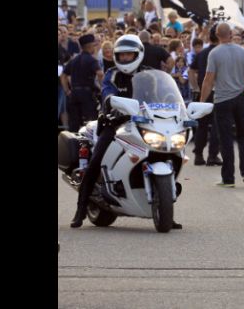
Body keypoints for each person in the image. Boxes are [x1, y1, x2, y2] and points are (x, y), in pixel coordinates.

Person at [70, 35, 186, 229]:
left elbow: (162, 94)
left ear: (138, 54)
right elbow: (107, 92)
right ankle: (81, 210)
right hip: (114, 124)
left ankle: (166, 211)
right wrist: (110, 99)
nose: (125, 59)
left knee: (169, 152)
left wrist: (175, 106)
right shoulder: (112, 74)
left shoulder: (149, 74)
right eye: (121, 55)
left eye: (129, 55)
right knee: (96, 161)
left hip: (143, 123)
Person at [200, 23, 244, 188]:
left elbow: (208, 80)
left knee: (226, 139)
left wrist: (201, 101)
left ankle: (228, 178)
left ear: (216, 34)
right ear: (230, 34)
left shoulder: (214, 54)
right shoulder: (242, 51)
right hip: (239, 98)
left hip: (222, 100)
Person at [189, 26, 222, 166]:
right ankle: (212, 155)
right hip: (218, 93)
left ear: (209, 37)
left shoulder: (201, 53)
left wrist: (196, 87)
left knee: (202, 125)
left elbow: (191, 70)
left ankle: (198, 155)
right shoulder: (221, 52)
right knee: (217, 125)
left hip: (203, 92)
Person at [61, 34, 104, 133]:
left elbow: (63, 75)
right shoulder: (92, 60)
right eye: (94, 45)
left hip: (74, 94)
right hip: (87, 95)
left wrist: (67, 91)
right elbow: (100, 74)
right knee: (91, 123)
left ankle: (73, 145)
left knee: (74, 124)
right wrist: (102, 88)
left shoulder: (74, 60)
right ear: (90, 46)